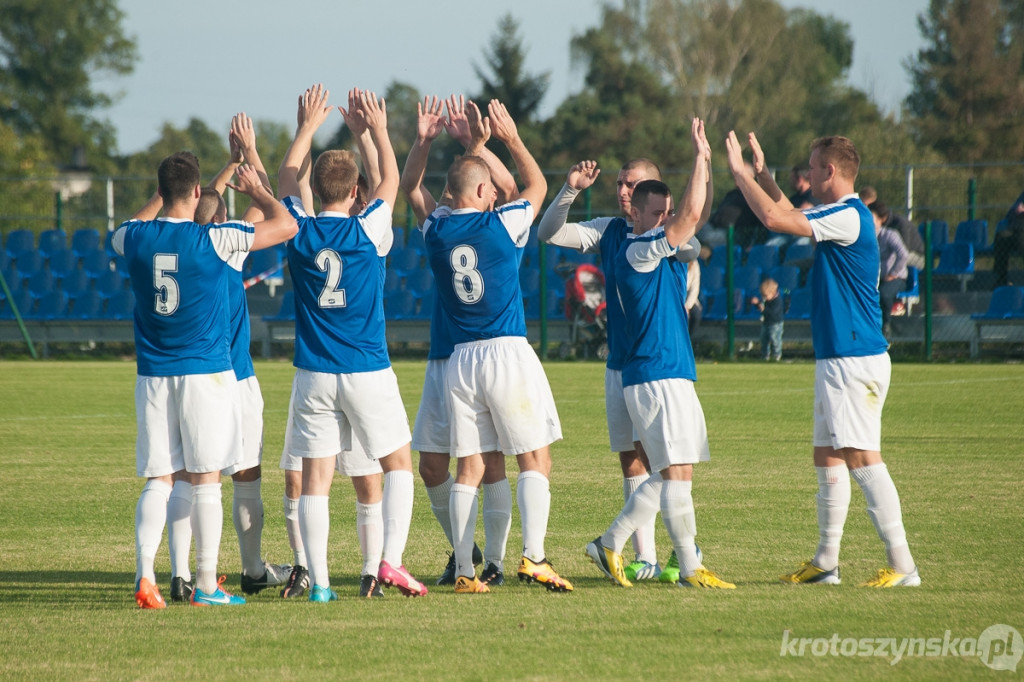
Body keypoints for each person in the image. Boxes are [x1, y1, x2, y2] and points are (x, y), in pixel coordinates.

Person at [725, 130, 920, 587]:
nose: (807, 175)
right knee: (828, 455)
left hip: (854, 358)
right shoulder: (842, 213)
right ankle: (826, 561)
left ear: (830, 171)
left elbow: (776, 220)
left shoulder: (850, 216)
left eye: (812, 168)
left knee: (862, 457)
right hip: (839, 357)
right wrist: (762, 176)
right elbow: (790, 212)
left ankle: (904, 564)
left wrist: (737, 172)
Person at [115, 151, 298, 609]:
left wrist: (160, 199)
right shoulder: (216, 239)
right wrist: (257, 190)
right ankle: (207, 585)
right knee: (206, 482)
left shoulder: (135, 239)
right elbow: (287, 225)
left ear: (160, 193)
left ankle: (146, 577)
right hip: (205, 374)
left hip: (154, 377)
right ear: (198, 193)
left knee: (160, 479)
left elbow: (126, 228)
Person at [277, 84, 425, 602]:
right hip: (366, 368)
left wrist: (305, 128)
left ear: (315, 189)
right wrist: (377, 130)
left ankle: (319, 584)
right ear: (354, 189)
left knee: (315, 481)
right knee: (398, 465)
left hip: (314, 371)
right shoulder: (367, 230)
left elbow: (285, 179)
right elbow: (389, 179)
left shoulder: (297, 228)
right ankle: (389, 562)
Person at [421, 99, 570, 594]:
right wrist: (510, 138)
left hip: (461, 359)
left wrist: (474, 151)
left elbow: (430, 194)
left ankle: (466, 570)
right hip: (505, 350)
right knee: (534, 457)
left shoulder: (436, 232)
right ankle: (535, 557)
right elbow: (537, 188)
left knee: (472, 467)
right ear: (484, 191)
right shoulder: (499, 224)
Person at [587, 119, 734, 590]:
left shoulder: (663, 244)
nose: (668, 216)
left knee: (676, 469)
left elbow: (696, 213)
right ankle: (683, 564)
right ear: (642, 215)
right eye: (659, 210)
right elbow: (690, 219)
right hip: (653, 375)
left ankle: (615, 544)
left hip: (670, 373)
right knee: (673, 471)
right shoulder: (639, 249)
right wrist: (698, 158)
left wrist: (705, 164)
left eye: (668, 209)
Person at [538, 158, 701, 583]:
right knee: (635, 461)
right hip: (622, 365)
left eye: (631, 184)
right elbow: (550, 232)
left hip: (654, 364)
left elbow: (691, 245)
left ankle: (680, 552)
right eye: (619, 184)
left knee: (668, 463)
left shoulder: (658, 231)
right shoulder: (607, 229)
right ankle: (647, 556)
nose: (622, 191)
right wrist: (569, 190)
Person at [400, 94, 516, 587]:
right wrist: (424, 143)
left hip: (472, 355)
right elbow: (411, 187)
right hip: (443, 358)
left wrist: (480, 144)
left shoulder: (481, 220)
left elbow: (508, 188)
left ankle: (492, 561)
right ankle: (463, 549)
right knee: (430, 466)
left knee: (488, 462)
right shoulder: (443, 225)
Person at [869, 201, 909, 338]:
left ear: (880, 221)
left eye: (873, 221)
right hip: (876, 279)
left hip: (896, 278)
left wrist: (893, 274)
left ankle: (885, 326)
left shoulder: (890, 235)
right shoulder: (865, 239)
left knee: (884, 295)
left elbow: (903, 255)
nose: (870, 224)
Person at [993, 189, 1024, 287]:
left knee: (1021, 239)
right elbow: (1010, 214)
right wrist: (1017, 212)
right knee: (1001, 237)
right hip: (1016, 228)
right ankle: (1002, 277)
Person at [750, 277, 784, 361]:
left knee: (774, 339)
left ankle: (776, 355)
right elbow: (761, 307)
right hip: (766, 323)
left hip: (775, 324)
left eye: (765, 295)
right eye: (762, 295)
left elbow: (772, 313)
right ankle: (765, 355)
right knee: (763, 339)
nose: (763, 297)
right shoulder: (766, 300)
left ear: (773, 293)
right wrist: (757, 303)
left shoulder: (777, 301)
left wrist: (763, 309)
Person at [684, 260, 701, 340]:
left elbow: (694, 289)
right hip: (674, 298)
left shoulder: (694, 264)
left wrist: (687, 306)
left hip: (688, 299)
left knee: (696, 314)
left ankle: (688, 341)